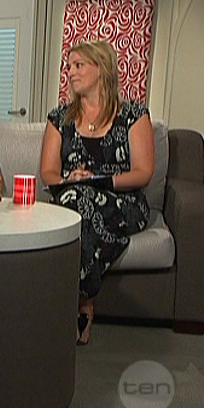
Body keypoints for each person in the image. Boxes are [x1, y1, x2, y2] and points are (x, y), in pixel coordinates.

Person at [39, 39, 154, 345]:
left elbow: (143, 172)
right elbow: (48, 172)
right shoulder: (59, 118)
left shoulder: (133, 115)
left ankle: (75, 303)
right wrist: (69, 178)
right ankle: (83, 301)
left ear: (101, 68)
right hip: (72, 197)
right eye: (69, 66)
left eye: (78, 65)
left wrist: (101, 181)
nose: (71, 72)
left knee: (80, 203)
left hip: (122, 199)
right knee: (75, 201)